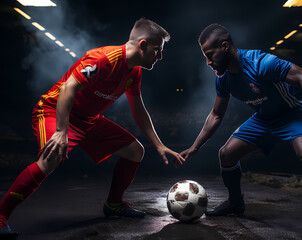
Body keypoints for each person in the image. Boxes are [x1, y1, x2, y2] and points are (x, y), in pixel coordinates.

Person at [0, 18, 185, 238]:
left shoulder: (134, 71)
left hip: (88, 119)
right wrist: (61, 131)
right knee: (50, 159)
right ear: (143, 45)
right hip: (54, 110)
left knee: (135, 151)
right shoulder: (103, 59)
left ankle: (114, 204)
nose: (160, 57)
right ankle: (1, 215)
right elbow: (69, 87)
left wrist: (159, 145)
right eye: (158, 50)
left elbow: (139, 110)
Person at [180, 23, 302, 240]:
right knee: (226, 154)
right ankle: (236, 204)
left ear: (225, 46)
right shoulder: (223, 79)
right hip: (263, 120)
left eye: (210, 55)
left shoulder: (261, 63)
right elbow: (216, 115)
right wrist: (195, 146)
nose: (208, 62)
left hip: (291, 113)